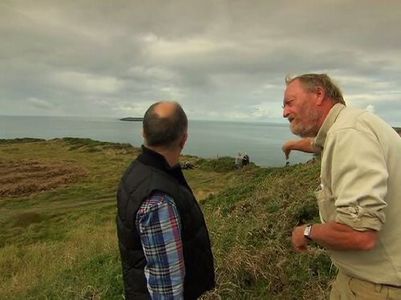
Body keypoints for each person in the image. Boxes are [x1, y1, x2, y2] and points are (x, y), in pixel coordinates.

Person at [282, 73, 401, 299]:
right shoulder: (350, 124)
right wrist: (294, 144)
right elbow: (321, 143)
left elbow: (360, 234)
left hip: (378, 289)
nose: (285, 112)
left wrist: (306, 232)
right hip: (371, 280)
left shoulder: (349, 134)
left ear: (318, 94)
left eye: (290, 102)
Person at [116, 101, 215, 299]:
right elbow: (166, 291)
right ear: (184, 139)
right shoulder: (159, 200)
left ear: (143, 133)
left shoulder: (137, 172)